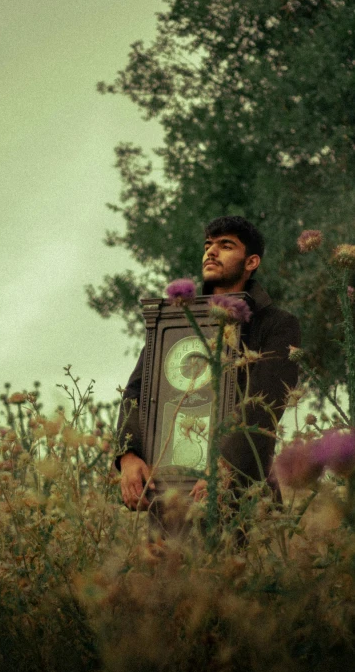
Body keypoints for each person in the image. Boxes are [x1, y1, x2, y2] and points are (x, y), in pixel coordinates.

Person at [117, 216, 301, 516]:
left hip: (244, 499)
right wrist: (128, 456)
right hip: (166, 498)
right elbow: (136, 391)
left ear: (251, 261)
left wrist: (224, 467)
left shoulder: (277, 324)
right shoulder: (174, 321)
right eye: (208, 245)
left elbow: (264, 405)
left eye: (225, 246)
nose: (211, 252)